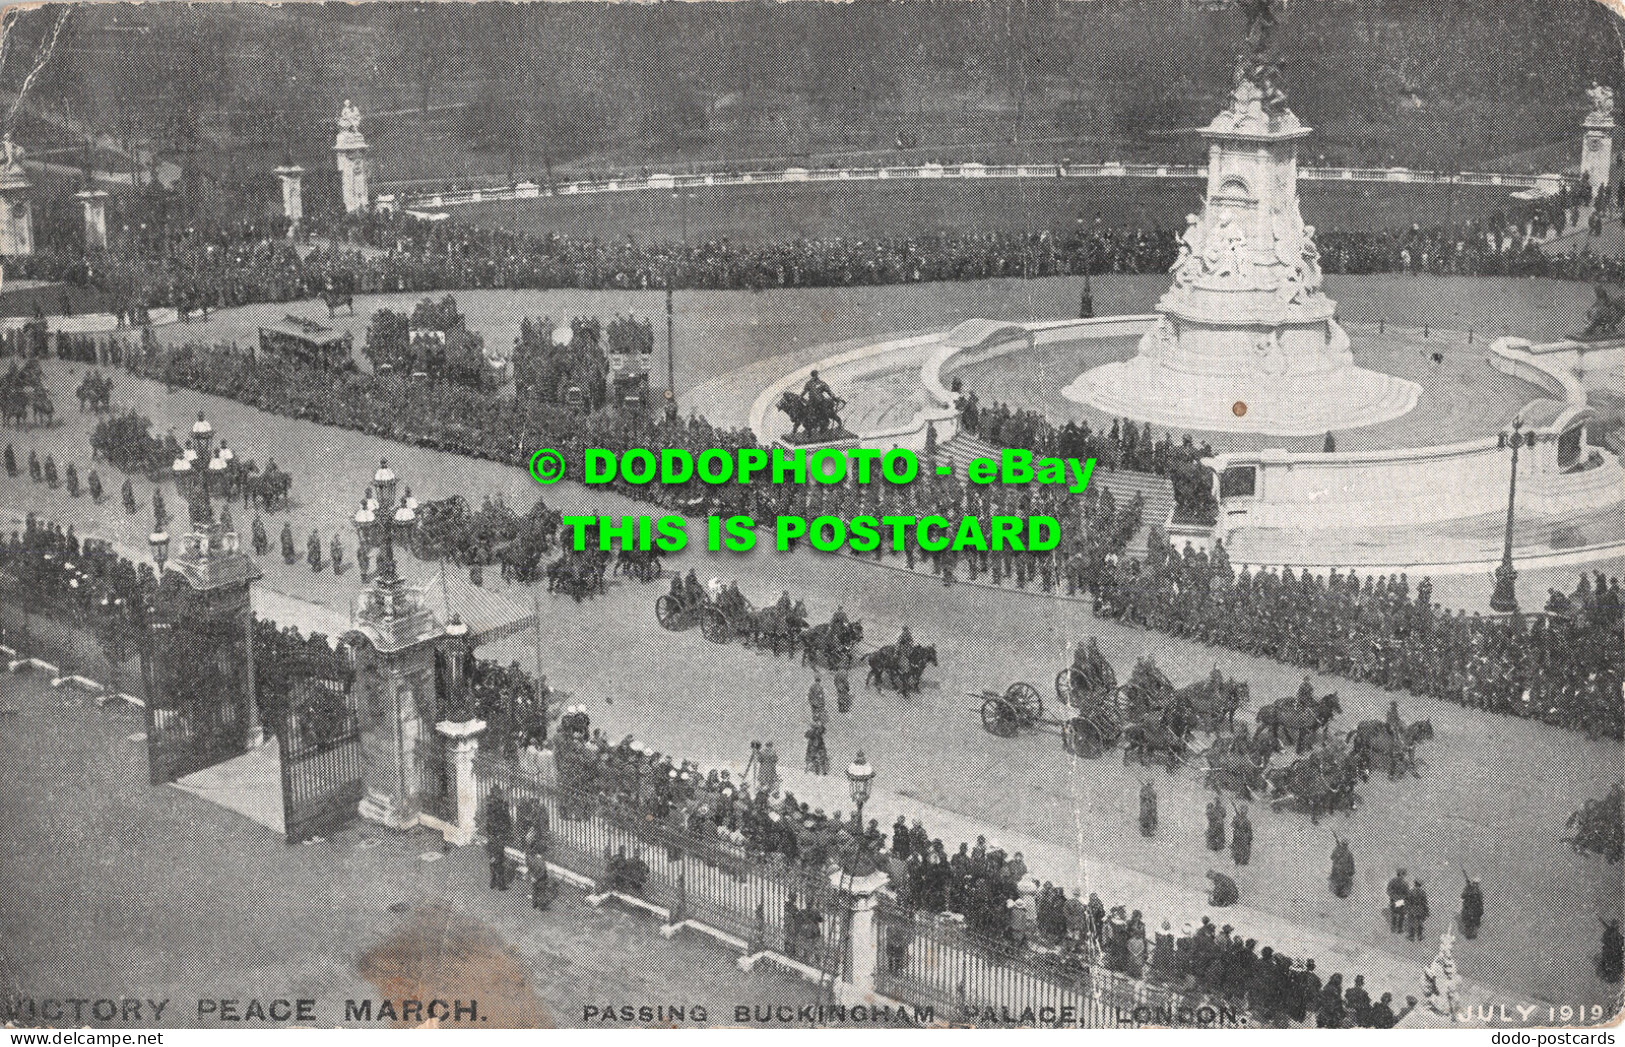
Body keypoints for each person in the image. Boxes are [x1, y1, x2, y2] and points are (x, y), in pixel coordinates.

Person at [485, 786, 512, 890]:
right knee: (499, 860)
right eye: (499, 793)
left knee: (493, 858)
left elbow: (488, 822)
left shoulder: (489, 805)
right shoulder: (501, 805)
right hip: (498, 836)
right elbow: (506, 820)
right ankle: (501, 884)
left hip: (491, 836)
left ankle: (493, 881)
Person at [1460, 872, 1484, 940]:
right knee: (1473, 921)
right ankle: (1471, 934)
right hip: (1473, 908)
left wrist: (1468, 889)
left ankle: (1470, 934)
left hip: (1470, 908)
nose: (1476, 885)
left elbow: (1463, 896)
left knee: (1469, 921)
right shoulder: (1478, 891)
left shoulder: (1470, 889)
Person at [1387, 868, 1410, 934]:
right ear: (1401, 874)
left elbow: (1388, 891)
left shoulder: (1392, 881)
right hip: (1400, 901)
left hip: (1394, 900)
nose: (1404, 876)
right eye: (1403, 874)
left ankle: (1394, 928)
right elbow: (1407, 894)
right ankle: (1399, 929)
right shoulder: (1405, 883)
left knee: (1395, 914)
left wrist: (1393, 897)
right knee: (1401, 915)